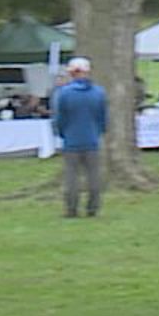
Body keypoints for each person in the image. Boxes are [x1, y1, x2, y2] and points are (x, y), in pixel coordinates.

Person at [51, 57, 108, 218]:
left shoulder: (64, 93)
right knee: (93, 176)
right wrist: (98, 132)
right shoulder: (98, 92)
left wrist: (63, 133)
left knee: (71, 177)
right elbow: (102, 117)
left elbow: (60, 118)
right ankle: (93, 208)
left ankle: (71, 208)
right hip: (92, 139)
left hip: (71, 140)